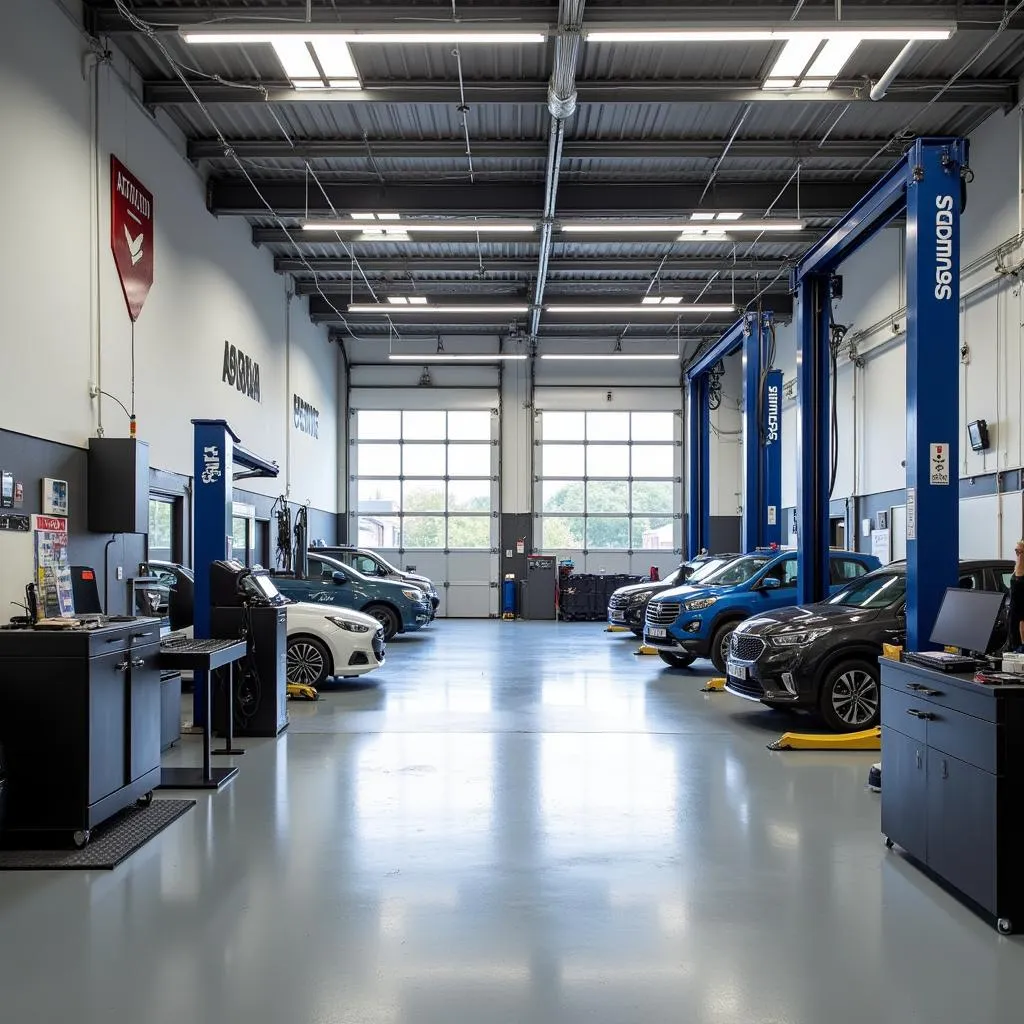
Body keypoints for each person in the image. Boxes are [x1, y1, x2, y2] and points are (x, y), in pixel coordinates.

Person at [1008, 541, 1024, 652]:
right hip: (1014, 613)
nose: (1018, 554)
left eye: (1020, 551)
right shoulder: (1017, 568)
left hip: (1020, 616)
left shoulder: (1020, 568)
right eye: (1016, 551)